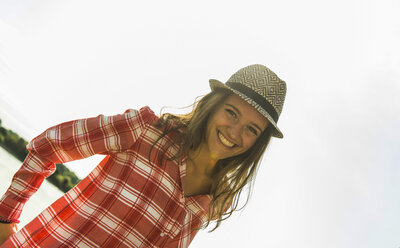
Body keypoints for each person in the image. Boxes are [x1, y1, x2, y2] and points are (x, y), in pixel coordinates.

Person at [0, 64, 287, 247]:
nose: (235, 133)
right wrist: (5, 218)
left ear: (258, 142)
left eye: (251, 129)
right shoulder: (145, 131)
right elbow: (50, 144)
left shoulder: (213, 201)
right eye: (231, 112)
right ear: (213, 105)